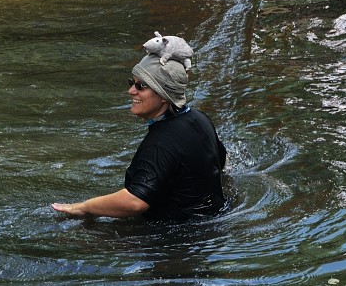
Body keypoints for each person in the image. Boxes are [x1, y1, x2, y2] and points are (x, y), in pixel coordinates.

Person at [51, 44, 228, 222]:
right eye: (132, 83)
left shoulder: (160, 143)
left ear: (164, 94)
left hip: (176, 237)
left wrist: (84, 207)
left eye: (140, 86)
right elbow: (221, 163)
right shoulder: (199, 118)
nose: (131, 91)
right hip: (211, 225)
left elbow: (136, 201)